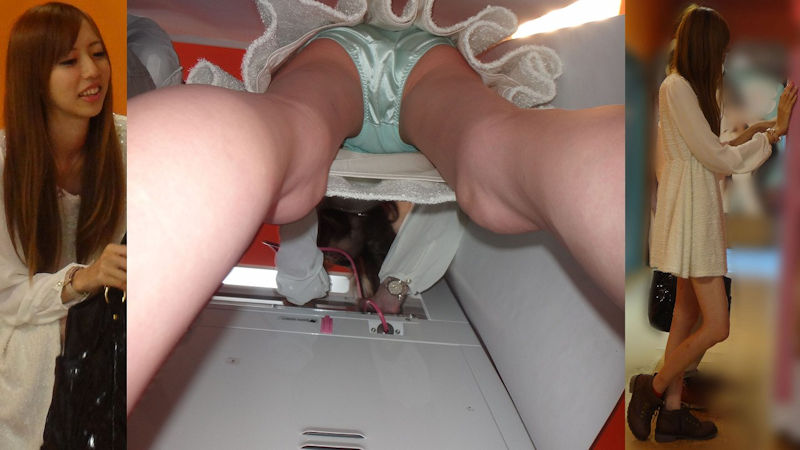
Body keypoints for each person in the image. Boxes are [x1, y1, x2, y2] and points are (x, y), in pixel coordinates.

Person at [127, 0, 624, 410]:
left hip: (341, 65)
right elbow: (314, 262)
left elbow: (309, 265)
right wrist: (388, 285)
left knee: (291, 137)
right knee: (495, 148)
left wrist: (384, 285)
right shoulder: (359, 228)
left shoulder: (343, 224)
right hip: (422, 69)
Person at [628, 4, 797, 442]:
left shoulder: (687, 89)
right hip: (691, 216)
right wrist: (769, 135)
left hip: (695, 210)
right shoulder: (677, 87)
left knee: (685, 316)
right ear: (705, 46)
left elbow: (713, 147)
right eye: (721, 50)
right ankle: (653, 387)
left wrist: (766, 130)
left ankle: (671, 415)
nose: (723, 58)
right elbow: (716, 156)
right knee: (717, 325)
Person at [0, 3, 126, 447]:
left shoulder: (130, 145)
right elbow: (8, 298)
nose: (92, 71)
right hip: (24, 374)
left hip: (105, 365)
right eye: (69, 61)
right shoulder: (5, 165)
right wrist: (83, 278)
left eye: (98, 53)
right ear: (33, 75)